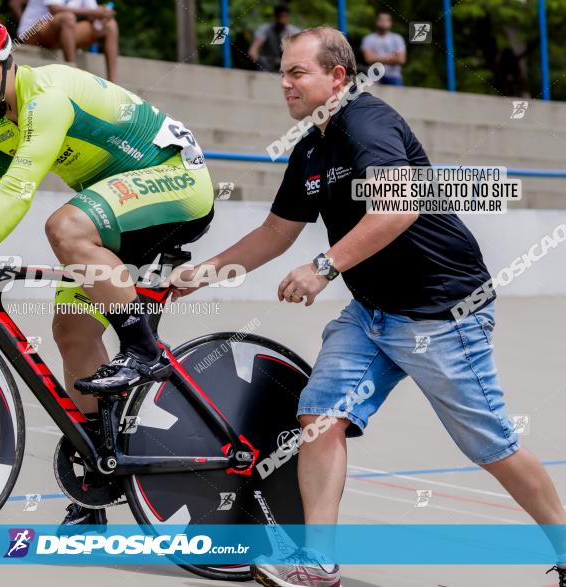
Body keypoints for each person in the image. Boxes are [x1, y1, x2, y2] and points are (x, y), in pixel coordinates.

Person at [172, 26, 566, 587]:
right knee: (320, 414)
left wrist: (324, 266)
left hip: (442, 313)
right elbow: (275, 233)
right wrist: (200, 277)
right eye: (282, 72)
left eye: (297, 72)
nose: (284, 83)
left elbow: (398, 208)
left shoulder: (367, 121)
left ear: (337, 76)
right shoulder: (310, 147)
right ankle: (317, 563)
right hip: (373, 312)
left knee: (490, 445)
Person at [0, 12, 214, 528]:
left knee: (64, 227)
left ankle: (144, 351)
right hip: (114, 214)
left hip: (174, 181)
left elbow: (19, 188)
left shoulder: (47, 96)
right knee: (71, 332)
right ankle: (98, 476)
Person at [11, 0, 119, 82]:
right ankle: (72, 71)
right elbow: (55, 9)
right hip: (32, 31)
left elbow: (92, 14)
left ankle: (113, 83)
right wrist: (94, 12)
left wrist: (103, 14)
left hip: (60, 33)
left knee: (110, 25)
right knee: (67, 17)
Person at [248, 5, 301, 73]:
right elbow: (253, 49)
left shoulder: (294, 32)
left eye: (285, 16)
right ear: (275, 16)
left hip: (287, 65)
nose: (282, 19)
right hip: (268, 65)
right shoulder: (265, 29)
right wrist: (255, 59)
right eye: (281, 16)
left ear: (288, 17)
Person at [361, 12, 405, 86]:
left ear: (390, 23)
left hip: (394, 76)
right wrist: (391, 57)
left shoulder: (397, 38)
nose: (383, 22)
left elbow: (401, 59)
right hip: (374, 77)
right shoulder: (368, 39)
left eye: (386, 20)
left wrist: (376, 58)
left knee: (398, 97)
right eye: (381, 20)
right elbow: (368, 59)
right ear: (376, 22)